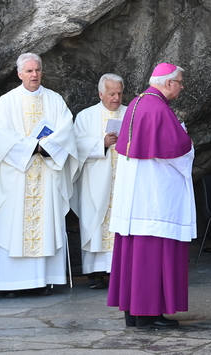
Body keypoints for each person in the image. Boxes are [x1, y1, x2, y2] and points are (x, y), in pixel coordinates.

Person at [107, 63, 194, 329]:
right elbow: (177, 150)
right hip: (155, 197)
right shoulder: (158, 108)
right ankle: (149, 313)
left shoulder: (136, 103)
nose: (181, 86)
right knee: (153, 252)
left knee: (135, 253)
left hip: (137, 196)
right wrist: (189, 143)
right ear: (168, 83)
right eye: (179, 81)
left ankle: (134, 313)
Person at [0, 53, 77, 297]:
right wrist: (31, 147)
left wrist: (46, 147)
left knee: (45, 221)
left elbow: (66, 130)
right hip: (17, 175)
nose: (34, 74)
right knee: (13, 224)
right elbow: (2, 137)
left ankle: (43, 280)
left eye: (37, 70)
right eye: (29, 71)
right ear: (19, 74)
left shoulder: (55, 100)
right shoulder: (7, 102)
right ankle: (10, 284)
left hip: (46, 173)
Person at [71, 73, 126, 290]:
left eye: (120, 93)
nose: (116, 98)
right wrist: (101, 143)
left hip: (123, 180)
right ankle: (95, 273)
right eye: (111, 93)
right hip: (95, 182)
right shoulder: (86, 116)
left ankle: (121, 270)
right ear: (100, 93)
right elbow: (76, 145)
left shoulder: (130, 113)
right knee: (96, 223)